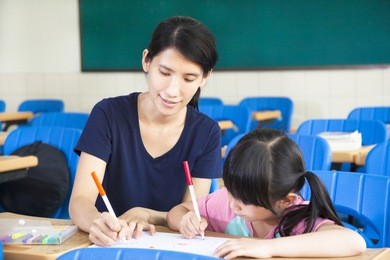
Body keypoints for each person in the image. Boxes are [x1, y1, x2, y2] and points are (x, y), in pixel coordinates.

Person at [69, 16, 221, 246]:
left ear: (205, 77)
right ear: (146, 61)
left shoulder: (207, 132)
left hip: (167, 247)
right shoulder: (108, 114)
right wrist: (95, 222)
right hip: (108, 245)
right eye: (164, 72)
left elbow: (190, 213)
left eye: (189, 78)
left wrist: (147, 214)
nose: (172, 90)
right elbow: (80, 201)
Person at [167, 128, 366, 259]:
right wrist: (185, 219)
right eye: (231, 190)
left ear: (283, 201)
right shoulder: (225, 201)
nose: (233, 205)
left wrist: (267, 247)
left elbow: (353, 241)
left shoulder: (296, 218)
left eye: (243, 200)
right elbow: (177, 211)